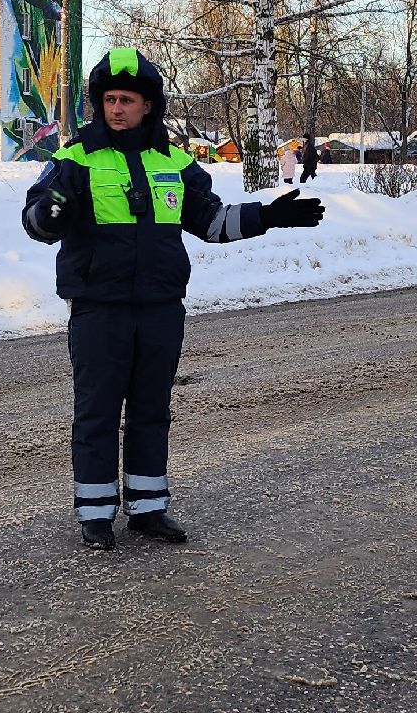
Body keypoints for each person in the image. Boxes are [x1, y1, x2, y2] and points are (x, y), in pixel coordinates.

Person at [24, 48, 326, 550]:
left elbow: (209, 221)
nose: (116, 109)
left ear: (149, 106)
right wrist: (49, 212)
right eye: (108, 99)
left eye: (128, 100)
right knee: (97, 411)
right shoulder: (72, 161)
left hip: (161, 307)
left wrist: (265, 217)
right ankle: (95, 515)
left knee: (151, 408)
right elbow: (37, 224)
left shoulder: (175, 163)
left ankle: (147, 509)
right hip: (100, 308)